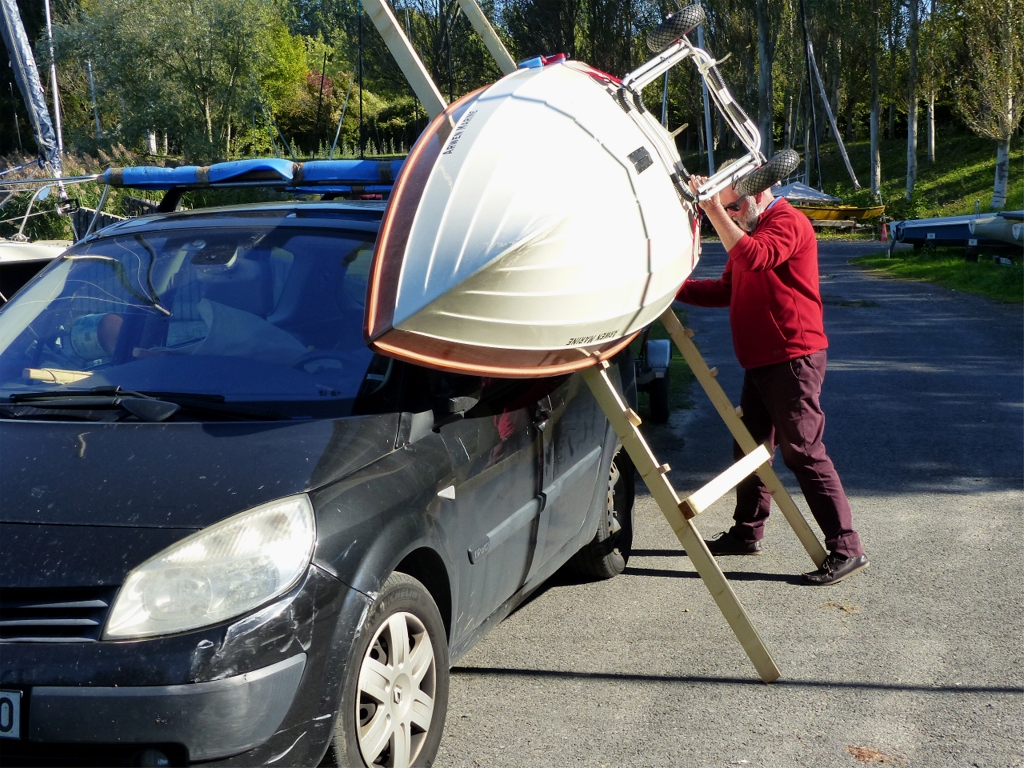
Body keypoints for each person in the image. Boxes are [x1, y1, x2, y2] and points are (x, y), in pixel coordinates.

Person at [676, 173, 868, 586]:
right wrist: (674, 289)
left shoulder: (786, 222)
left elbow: (754, 258)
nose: (729, 216)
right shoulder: (751, 226)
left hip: (793, 357)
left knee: (803, 452)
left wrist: (712, 210)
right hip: (763, 360)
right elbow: (727, 287)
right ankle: (747, 532)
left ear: (756, 195)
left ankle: (846, 547)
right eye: (725, 209)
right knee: (749, 448)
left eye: (732, 207)